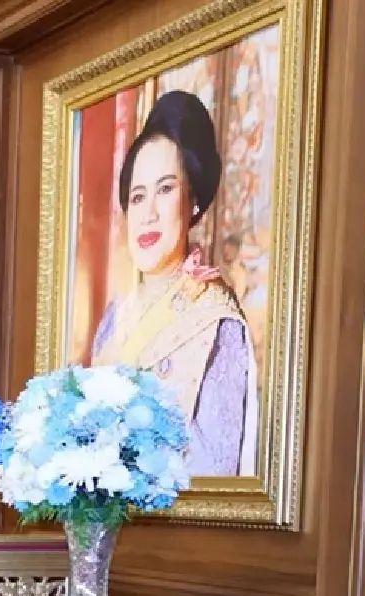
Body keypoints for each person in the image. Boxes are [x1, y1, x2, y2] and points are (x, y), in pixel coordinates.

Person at [89, 88, 258, 476]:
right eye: (137, 196)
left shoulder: (215, 321)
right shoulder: (115, 317)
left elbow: (217, 468)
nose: (148, 213)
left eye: (165, 190)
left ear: (192, 201)